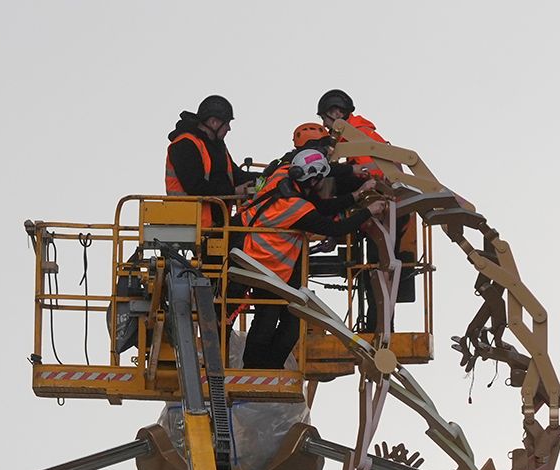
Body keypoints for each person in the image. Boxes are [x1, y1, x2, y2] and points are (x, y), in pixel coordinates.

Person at [238, 148, 386, 369]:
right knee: (268, 319)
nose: (320, 185)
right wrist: (368, 211)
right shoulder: (296, 208)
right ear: (312, 179)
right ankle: (257, 368)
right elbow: (333, 227)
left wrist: (357, 194)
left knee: (286, 319)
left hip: (261, 260)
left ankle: (269, 367)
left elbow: (320, 206)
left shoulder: (282, 175)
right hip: (264, 262)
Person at [317, 89, 412, 332]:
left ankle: (378, 330)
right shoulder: (361, 135)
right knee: (375, 271)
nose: (325, 127)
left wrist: (326, 222)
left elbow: (365, 176)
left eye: (326, 121)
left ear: (336, 114)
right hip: (387, 210)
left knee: (377, 271)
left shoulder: (356, 137)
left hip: (385, 210)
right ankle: (378, 328)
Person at [165, 94, 252, 226]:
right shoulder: (185, 145)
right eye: (227, 123)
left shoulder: (217, 145)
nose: (229, 128)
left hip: (216, 223)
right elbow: (196, 187)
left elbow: (236, 176)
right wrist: (233, 191)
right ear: (214, 122)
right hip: (191, 222)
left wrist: (270, 176)